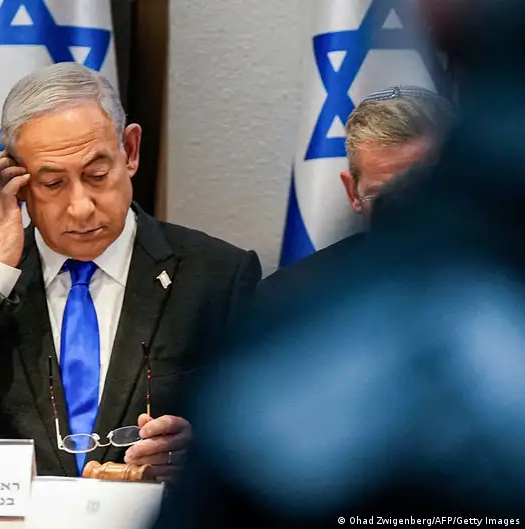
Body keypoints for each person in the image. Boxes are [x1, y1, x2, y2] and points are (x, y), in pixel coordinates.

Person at [153, 1, 525, 525]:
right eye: (386, 195)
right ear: (351, 190)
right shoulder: (291, 308)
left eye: (417, 188)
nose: (406, 212)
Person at [0, 62, 261, 479]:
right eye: (52, 184)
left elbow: (267, 441)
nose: (81, 207)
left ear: (131, 151)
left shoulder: (217, 276)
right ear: (17, 180)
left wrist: (200, 449)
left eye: (97, 175)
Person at [256, 86, 455, 300]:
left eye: (424, 190)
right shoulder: (293, 299)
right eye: (383, 196)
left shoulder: (494, 284)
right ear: (352, 193)